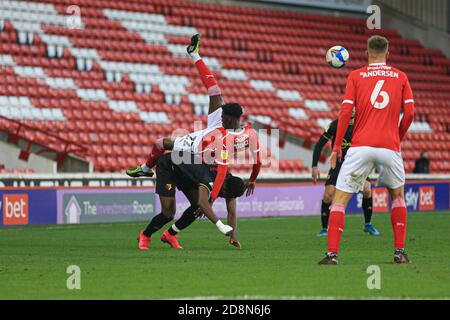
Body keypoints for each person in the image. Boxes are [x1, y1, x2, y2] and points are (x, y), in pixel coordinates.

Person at [318, 35, 414, 265]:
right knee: (397, 197)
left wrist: (337, 145)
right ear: (388, 54)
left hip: (360, 146)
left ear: (366, 53)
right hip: (389, 146)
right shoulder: (401, 76)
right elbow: (409, 114)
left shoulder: (356, 75)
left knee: (340, 200)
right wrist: (396, 139)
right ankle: (399, 252)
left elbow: (344, 113)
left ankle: (332, 255)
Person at [126, 33, 261, 195]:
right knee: (214, 91)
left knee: (162, 145)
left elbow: (225, 170)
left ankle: (149, 171)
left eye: (224, 116)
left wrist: (213, 196)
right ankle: (194, 53)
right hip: (207, 137)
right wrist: (253, 179)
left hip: (199, 151)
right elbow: (258, 161)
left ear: (230, 119)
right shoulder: (247, 131)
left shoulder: (228, 140)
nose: (221, 115)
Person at [137, 153, 246, 250]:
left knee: (197, 207)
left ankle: (170, 235)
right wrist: (220, 225)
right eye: (226, 196)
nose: (227, 198)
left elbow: (232, 212)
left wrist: (233, 236)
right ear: (224, 187)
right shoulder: (209, 178)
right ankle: (145, 235)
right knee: (168, 213)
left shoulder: (230, 184)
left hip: (187, 174)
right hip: (169, 167)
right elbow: (203, 202)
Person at [312, 117, 380, 236]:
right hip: (338, 164)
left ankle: (368, 224)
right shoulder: (335, 125)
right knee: (328, 194)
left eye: (355, 107)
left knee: (367, 189)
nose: (353, 110)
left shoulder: (362, 124)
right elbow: (319, 145)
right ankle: (324, 228)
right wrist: (314, 166)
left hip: (357, 164)